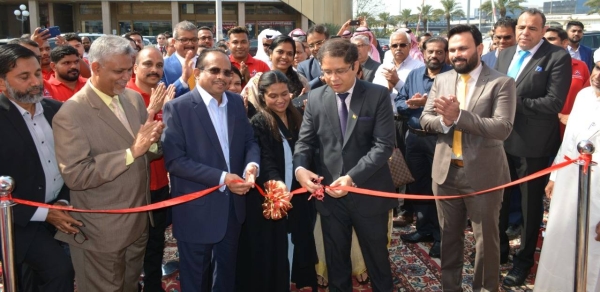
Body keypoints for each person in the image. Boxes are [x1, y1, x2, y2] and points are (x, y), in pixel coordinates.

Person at [53, 35, 164, 292]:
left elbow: (146, 153)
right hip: (102, 231)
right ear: (95, 67)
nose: (127, 77)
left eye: (129, 69)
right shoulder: (71, 113)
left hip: (137, 222)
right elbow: (76, 174)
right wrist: (131, 151)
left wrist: (153, 143)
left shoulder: (132, 99)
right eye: (119, 71)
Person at [293, 38, 396, 292]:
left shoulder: (377, 95)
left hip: (367, 193)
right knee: (336, 263)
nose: (333, 78)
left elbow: (383, 146)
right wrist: (300, 169)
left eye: (340, 71)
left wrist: (351, 178)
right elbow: (304, 143)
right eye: (327, 72)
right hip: (330, 197)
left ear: (355, 66)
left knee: (378, 263)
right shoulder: (315, 98)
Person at [420, 24, 516, 291]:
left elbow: (502, 128)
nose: (456, 54)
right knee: (449, 239)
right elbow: (425, 119)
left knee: (486, 241)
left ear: (480, 49)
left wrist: (459, 117)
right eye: (452, 50)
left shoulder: (501, 83)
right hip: (445, 174)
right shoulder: (442, 79)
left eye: (463, 48)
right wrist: (446, 122)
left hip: (485, 176)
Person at [161, 48, 260, 292]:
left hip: (232, 210)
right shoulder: (178, 108)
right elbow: (175, 161)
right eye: (214, 70)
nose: (222, 77)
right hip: (196, 209)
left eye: (227, 72)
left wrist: (251, 166)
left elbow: (250, 142)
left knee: (226, 276)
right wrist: (223, 178)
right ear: (197, 72)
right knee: (195, 278)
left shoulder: (236, 102)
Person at [494, 9, 572, 286]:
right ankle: (499, 251)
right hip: (499, 141)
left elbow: (553, 103)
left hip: (533, 145)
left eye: (532, 28)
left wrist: (512, 102)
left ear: (543, 29)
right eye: (521, 27)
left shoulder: (557, 56)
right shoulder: (504, 53)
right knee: (499, 202)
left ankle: (523, 262)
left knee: (529, 207)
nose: (525, 32)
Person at [0, 44, 77, 292]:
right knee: (59, 271)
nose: (35, 82)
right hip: (16, 221)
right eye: (24, 77)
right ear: (2, 83)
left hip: (58, 210)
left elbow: (71, 162)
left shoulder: (57, 111)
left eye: (36, 73)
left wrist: (63, 203)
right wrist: (45, 214)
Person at [236, 70, 317, 291]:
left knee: (299, 238)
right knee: (275, 246)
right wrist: (276, 183)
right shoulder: (259, 122)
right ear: (263, 96)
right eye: (273, 95)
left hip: (299, 191)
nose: (280, 100)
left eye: (284, 94)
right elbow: (265, 158)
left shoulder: (298, 116)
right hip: (273, 194)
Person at [535, 49, 600, 292]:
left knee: (592, 254)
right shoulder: (583, 96)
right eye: (598, 67)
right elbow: (569, 142)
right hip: (568, 183)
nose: (598, 75)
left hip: (596, 196)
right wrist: (554, 175)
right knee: (561, 243)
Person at [396, 36, 453, 258]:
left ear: (445, 54)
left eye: (440, 52)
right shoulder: (413, 75)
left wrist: (426, 104)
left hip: (439, 138)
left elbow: (455, 107)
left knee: (440, 188)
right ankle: (424, 230)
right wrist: (410, 104)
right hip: (414, 138)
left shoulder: (452, 76)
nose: (434, 56)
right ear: (423, 51)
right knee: (419, 186)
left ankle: (441, 237)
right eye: (431, 51)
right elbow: (400, 103)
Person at [126, 46, 175, 292]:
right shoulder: (124, 97)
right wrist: (153, 112)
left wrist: (169, 111)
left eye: (158, 65)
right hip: (133, 187)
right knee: (132, 246)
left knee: (156, 244)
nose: (154, 70)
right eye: (148, 64)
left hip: (160, 184)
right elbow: (133, 143)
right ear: (135, 68)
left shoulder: (165, 95)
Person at [544, 27, 590, 139]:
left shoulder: (581, 66)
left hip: (570, 129)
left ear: (565, 43)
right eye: (543, 40)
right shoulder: (537, 68)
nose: (545, 43)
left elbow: (589, 97)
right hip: (544, 128)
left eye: (551, 39)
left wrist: (574, 118)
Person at [243, 35, 309, 108]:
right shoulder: (257, 82)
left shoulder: (301, 80)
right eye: (280, 52)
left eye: (289, 54)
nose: (284, 57)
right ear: (270, 54)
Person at [373, 30, 424, 115]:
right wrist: (387, 90)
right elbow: (374, 95)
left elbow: (418, 97)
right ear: (390, 48)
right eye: (394, 45)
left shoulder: (419, 67)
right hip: (385, 118)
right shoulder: (382, 68)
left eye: (403, 45)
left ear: (410, 46)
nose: (398, 48)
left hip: (407, 119)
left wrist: (397, 83)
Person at [162, 21, 198, 97]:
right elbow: (163, 97)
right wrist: (183, 79)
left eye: (194, 39)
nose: (190, 43)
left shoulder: (206, 63)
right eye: (184, 40)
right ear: (174, 42)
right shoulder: (163, 66)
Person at [296, 24, 330, 89]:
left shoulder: (341, 61)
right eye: (311, 46)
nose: (315, 48)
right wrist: (320, 79)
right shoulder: (303, 67)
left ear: (328, 40)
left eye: (319, 43)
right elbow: (302, 89)